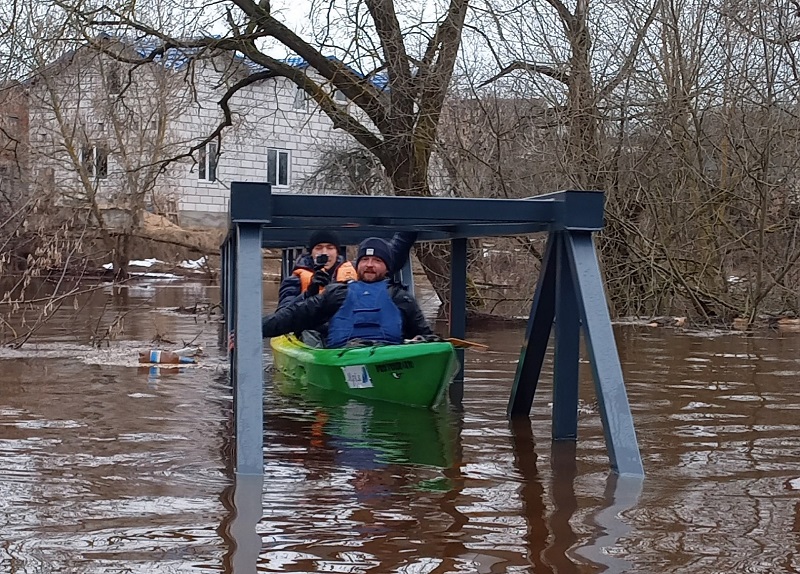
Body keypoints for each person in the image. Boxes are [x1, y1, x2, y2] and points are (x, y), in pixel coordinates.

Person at [263, 237, 433, 347]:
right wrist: (251, 331)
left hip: (389, 360)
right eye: (365, 259)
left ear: (387, 268)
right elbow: (292, 317)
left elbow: (425, 336)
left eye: (377, 260)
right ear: (357, 265)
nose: (369, 265)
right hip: (344, 357)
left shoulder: (401, 298)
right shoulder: (338, 294)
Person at [277, 230, 417, 309]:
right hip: (311, 336)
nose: (324, 252)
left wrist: (410, 227)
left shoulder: (356, 271)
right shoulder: (294, 280)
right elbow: (283, 314)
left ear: (337, 252)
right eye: (319, 248)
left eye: (330, 248)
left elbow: (391, 256)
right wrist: (308, 294)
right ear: (311, 252)